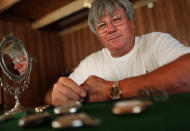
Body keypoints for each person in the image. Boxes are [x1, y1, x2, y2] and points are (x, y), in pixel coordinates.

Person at [45, 0, 190, 106]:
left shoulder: (155, 42)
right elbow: (49, 96)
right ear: (98, 35)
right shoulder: (90, 63)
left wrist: (110, 89)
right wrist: (57, 95)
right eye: (102, 25)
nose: (110, 29)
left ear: (131, 23)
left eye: (116, 19)